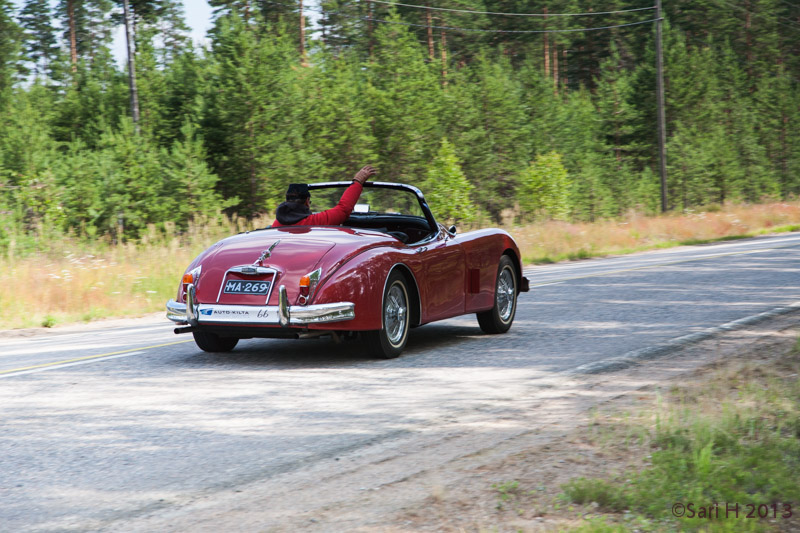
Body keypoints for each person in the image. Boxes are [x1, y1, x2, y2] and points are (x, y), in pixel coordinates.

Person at [271, 165, 377, 227]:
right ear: (307, 202)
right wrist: (358, 182)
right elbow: (343, 209)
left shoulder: (275, 225)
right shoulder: (314, 222)